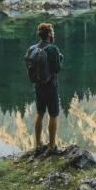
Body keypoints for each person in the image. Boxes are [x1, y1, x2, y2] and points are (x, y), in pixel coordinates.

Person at [28, 22, 64, 154]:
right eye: (52, 31)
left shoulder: (32, 48)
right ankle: (52, 145)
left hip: (38, 86)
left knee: (40, 114)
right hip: (51, 86)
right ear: (49, 34)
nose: (53, 33)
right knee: (53, 115)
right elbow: (57, 69)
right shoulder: (53, 49)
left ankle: (38, 143)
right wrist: (61, 58)